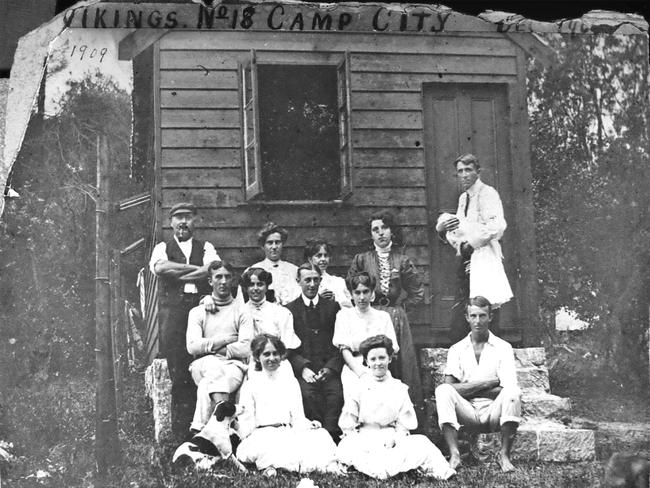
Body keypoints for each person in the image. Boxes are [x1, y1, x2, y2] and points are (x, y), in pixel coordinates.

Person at [336, 335, 455, 480]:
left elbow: (403, 424)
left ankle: (396, 467)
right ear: (366, 362)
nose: (378, 363)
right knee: (349, 447)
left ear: (390, 359)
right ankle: (382, 469)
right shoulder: (358, 388)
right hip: (365, 437)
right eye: (373, 359)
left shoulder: (399, 388)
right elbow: (349, 423)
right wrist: (359, 439)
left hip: (391, 438)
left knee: (421, 442)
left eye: (382, 358)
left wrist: (395, 439)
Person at [149, 202, 219, 439]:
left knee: (202, 365)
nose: (182, 222)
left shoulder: (206, 247)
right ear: (171, 223)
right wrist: (197, 270)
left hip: (201, 309)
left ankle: (205, 428)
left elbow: (212, 269)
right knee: (177, 369)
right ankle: (181, 431)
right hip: (174, 314)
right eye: (178, 217)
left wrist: (180, 271)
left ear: (195, 221)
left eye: (187, 217)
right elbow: (160, 268)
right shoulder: (162, 247)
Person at [347, 210, 424, 410]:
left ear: (392, 231)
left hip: (396, 316)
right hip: (370, 315)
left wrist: (400, 310)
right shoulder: (362, 260)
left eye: (385, 228)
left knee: (398, 364)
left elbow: (417, 293)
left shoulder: (402, 260)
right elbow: (351, 286)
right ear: (370, 234)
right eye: (376, 229)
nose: (381, 233)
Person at [435, 296, 521, 472]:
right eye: (473, 316)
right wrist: (486, 384)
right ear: (466, 317)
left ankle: (504, 455)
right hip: (468, 412)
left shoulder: (503, 347)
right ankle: (455, 455)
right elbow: (449, 388)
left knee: (513, 392)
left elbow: (506, 389)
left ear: (490, 317)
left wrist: (466, 389)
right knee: (442, 391)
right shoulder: (457, 349)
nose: (478, 321)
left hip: (494, 412)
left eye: (482, 315)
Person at [236, 334, 343, 476]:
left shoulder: (290, 382)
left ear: (281, 356)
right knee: (270, 447)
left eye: (276, 354)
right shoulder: (250, 385)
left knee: (320, 436)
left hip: (287, 430)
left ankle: (280, 466)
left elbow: (297, 416)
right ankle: (270, 466)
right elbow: (246, 420)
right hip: (262, 433)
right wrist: (247, 436)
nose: (272, 358)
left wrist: (308, 425)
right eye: (266, 354)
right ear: (257, 357)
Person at [435, 153, 513, 343]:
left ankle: (491, 349)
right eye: (460, 171)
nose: (464, 175)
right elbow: (460, 228)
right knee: (465, 305)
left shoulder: (488, 194)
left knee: (485, 304)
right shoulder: (464, 198)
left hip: (484, 256)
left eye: (468, 170)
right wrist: (447, 233)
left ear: (478, 171)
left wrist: (472, 243)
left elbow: (497, 226)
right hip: (467, 258)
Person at [185, 260, 253, 435]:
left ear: (233, 281)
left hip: (233, 367)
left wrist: (209, 346)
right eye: (218, 277)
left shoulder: (243, 311)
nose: (223, 281)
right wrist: (224, 340)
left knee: (208, 385)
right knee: (212, 367)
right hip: (202, 365)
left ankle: (199, 430)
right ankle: (227, 429)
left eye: (227, 277)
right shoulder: (197, 312)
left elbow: (246, 348)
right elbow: (192, 347)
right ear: (210, 281)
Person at [286, 263, 344, 443]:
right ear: (298, 281)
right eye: (307, 280)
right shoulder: (290, 310)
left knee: (335, 395)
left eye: (315, 280)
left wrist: (330, 368)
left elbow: (339, 342)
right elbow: (288, 346)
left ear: (320, 281)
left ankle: (332, 438)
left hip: (328, 368)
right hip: (305, 370)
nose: (312, 284)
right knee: (307, 395)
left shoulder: (333, 307)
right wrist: (302, 368)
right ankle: (316, 440)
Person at [332, 272, 399, 400]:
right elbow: (344, 350)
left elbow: (392, 349)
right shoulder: (344, 316)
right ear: (351, 294)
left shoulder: (383, 317)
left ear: (372, 293)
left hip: (379, 366)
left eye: (365, 292)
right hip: (354, 367)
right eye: (357, 292)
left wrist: (378, 370)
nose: (362, 297)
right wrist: (361, 373)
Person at [241, 267, 300, 378]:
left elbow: (287, 345)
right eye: (251, 285)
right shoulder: (239, 312)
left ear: (267, 286)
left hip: (276, 361)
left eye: (260, 284)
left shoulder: (281, 312)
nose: (255, 288)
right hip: (248, 363)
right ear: (246, 288)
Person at [250, 222, 301, 305]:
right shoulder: (253, 270)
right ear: (263, 246)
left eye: (277, 242)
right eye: (270, 243)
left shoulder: (294, 270)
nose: (274, 247)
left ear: (282, 244)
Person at [304, 239, 352, 307]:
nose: (323, 259)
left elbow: (348, 306)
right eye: (319, 256)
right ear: (310, 259)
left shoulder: (338, 282)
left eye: (326, 256)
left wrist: (334, 303)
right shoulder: (303, 282)